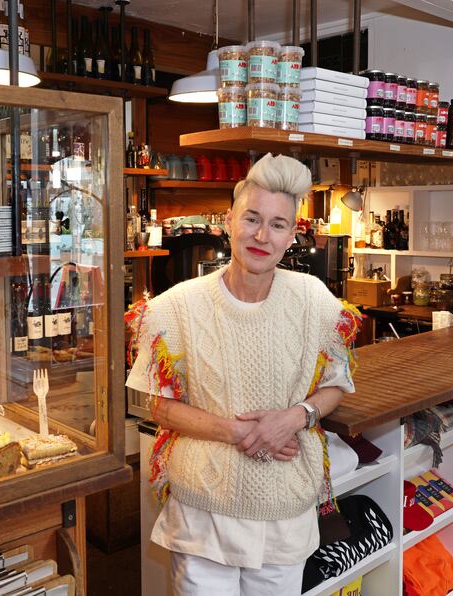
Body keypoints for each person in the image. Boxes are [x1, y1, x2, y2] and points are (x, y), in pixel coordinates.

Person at [125, 153, 360, 595]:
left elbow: (336, 384)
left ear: (292, 234)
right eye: (252, 218)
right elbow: (160, 405)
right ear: (230, 220)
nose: (261, 235)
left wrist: (294, 417)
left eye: (276, 224)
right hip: (203, 513)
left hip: (284, 507)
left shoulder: (313, 299)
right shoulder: (177, 306)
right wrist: (238, 433)